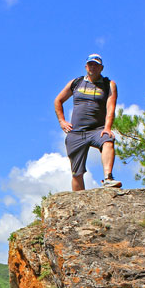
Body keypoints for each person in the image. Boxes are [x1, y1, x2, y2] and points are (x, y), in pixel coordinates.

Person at [54, 53, 121, 190]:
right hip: (76, 132)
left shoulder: (109, 85)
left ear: (101, 68)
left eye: (96, 65)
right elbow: (58, 100)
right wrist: (62, 121)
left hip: (97, 130)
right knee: (77, 173)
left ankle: (108, 178)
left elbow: (111, 108)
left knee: (108, 139)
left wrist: (107, 127)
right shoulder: (76, 83)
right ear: (86, 66)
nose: (93, 67)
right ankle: (79, 204)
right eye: (90, 64)